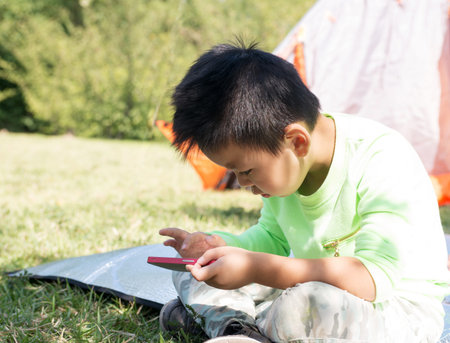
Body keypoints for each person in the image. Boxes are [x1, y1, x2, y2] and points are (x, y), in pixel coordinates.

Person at [158, 42, 449, 343]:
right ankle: (239, 330)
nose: (242, 183)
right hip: (311, 293)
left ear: (297, 142)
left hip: (398, 313)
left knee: (308, 303)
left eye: (246, 171)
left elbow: (372, 278)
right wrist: (219, 247)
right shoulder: (287, 170)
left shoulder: (382, 157)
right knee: (192, 273)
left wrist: (253, 267)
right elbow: (272, 239)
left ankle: (227, 321)